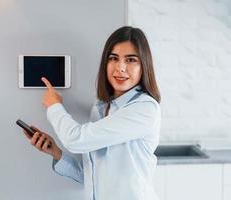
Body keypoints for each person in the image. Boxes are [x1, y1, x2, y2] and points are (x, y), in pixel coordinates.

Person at [23, 26, 161, 200]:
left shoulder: (144, 109)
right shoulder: (101, 106)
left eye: (131, 60)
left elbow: (75, 139)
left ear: (144, 66)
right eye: (113, 58)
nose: (120, 67)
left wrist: (54, 106)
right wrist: (55, 152)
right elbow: (92, 177)